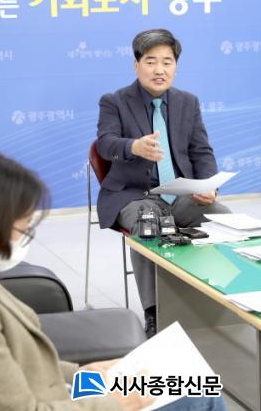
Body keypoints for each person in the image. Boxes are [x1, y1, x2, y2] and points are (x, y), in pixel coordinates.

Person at [0, 149, 226, 411]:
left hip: (56, 391)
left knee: (191, 381)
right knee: (198, 393)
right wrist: (119, 402)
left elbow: (14, 365)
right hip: (58, 403)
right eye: (22, 228)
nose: (25, 238)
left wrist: (84, 375)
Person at [96, 29, 231, 337]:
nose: (160, 70)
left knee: (224, 219)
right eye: (151, 61)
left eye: (167, 62)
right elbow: (105, 144)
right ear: (137, 66)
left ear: (176, 66)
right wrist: (133, 146)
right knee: (148, 224)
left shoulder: (188, 102)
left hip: (180, 194)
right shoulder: (114, 101)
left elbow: (201, 152)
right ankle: (154, 312)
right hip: (133, 195)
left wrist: (208, 186)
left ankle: (214, 298)